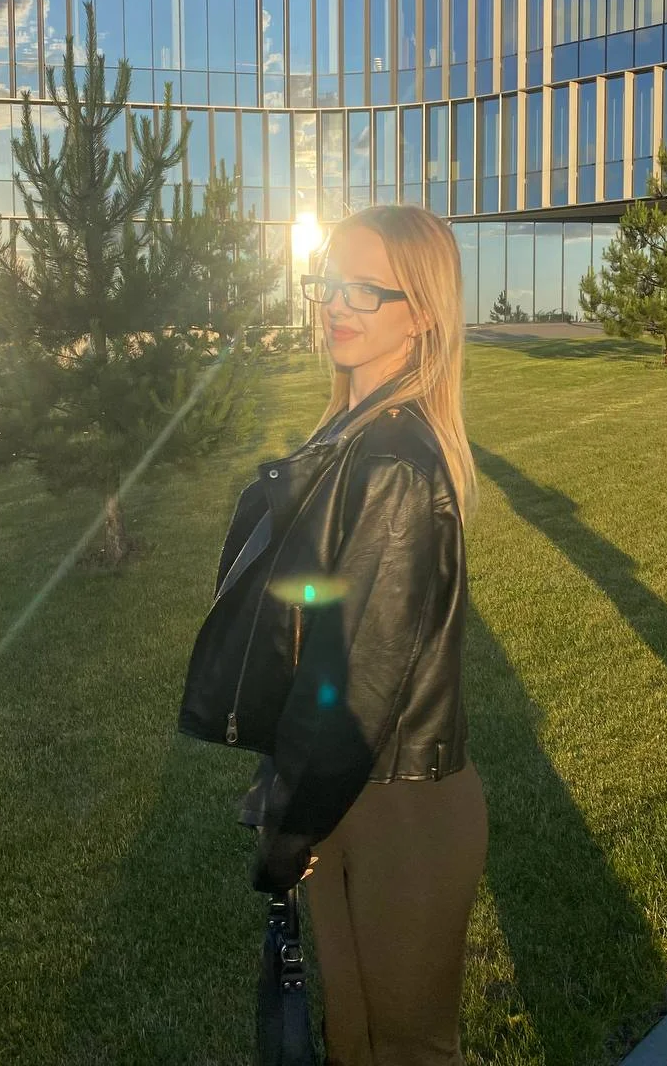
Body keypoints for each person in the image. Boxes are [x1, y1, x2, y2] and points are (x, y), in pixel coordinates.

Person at [178, 204, 488, 1066]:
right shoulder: (349, 436)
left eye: (366, 290)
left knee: (405, 1050)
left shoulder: (392, 461)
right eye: (330, 283)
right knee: (353, 1040)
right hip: (345, 785)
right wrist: (290, 786)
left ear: (421, 313)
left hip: (398, 806)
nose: (338, 304)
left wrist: (290, 825)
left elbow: (357, 674)